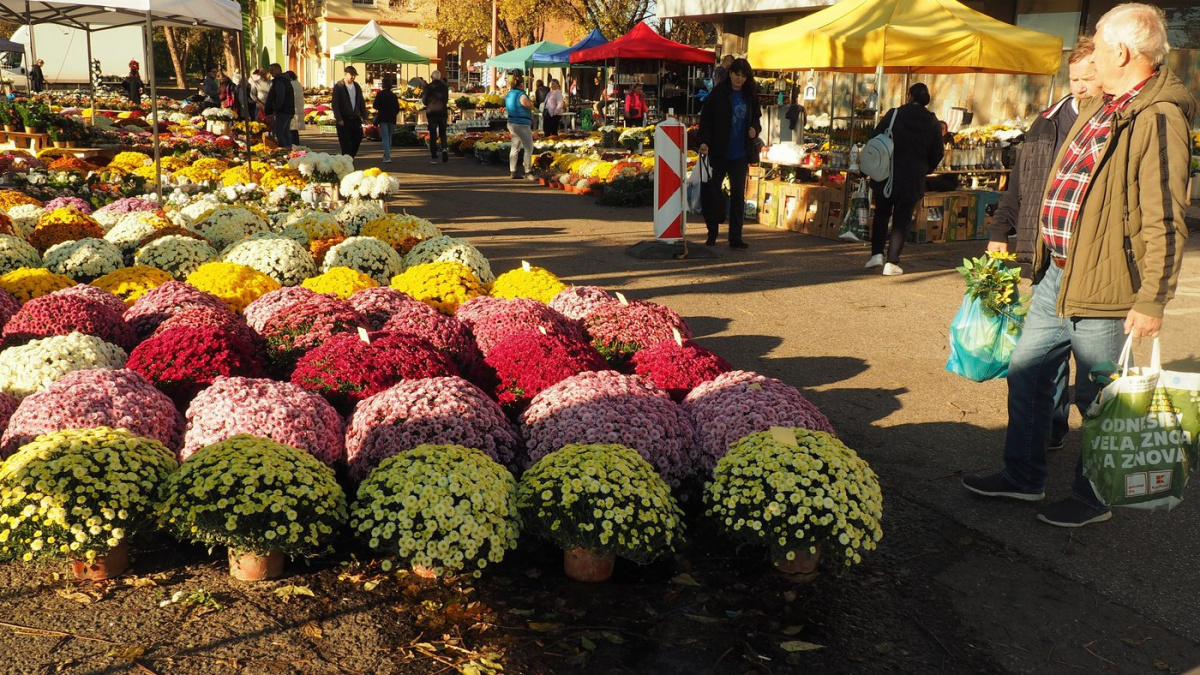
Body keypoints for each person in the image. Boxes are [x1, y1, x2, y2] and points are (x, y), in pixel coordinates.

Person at [962, 3, 1195, 528]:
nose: (1091, 53)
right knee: (1026, 373)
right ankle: (1023, 478)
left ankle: (1093, 499)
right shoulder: (1105, 106)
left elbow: (1164, 216)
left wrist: (1151, 299)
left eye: (1101, 43)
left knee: (1098, 400)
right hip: (1056, 277)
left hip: (1107, 288)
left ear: (1122, 51)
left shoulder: (1158, 116)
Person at [980, 38, 1102, 457]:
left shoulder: (1115, 123)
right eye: (1076, 78)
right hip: (1048, 260)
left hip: (1095, 269)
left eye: (1091, 77)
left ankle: (1098, 480)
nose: (1082, 87)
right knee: (1034, 364)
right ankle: (1046, 434)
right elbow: (1020, 183)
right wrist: (1000, 230)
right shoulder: (1046, 120)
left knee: (1094, 381)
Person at [864, 82, 943, 276]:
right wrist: (926, 168)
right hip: (913, 176)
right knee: (902, 219)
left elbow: (875, 137)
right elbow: (938, 152)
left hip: (887, 174)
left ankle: (876, 255)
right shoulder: (932, 121)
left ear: (909, 96)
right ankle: (892, 262)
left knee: (882, 214)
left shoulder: (894, 114)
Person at [697, 57, 761, 249]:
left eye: (743, 76)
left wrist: (755, 130)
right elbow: (706, 119)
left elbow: (756, 119)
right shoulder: (718, 93)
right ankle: (712, 232)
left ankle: (735, 237)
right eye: (736, 74)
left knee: (738, 197)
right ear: (730, 74)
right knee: (713, 193)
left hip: (740, 154)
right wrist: (704, 142)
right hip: (718, 152)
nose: (739, 79)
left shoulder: (751, 95)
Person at [505, 73, 536, 180]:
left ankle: (513, 170)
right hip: (522, 123)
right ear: (521, 84)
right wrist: (532, 106)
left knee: (515, 146)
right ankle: (528, 171)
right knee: (528, 147)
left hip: (511, 122)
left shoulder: (509, 94)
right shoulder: (521, 95)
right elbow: (526, 104)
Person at [331, 65, 367, 157]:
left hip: (355, 118)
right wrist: (339, 118)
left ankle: (350, 158)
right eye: (351, 75)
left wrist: (364, 116)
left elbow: (361, 101)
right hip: (344, 119)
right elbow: (335, 104)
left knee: (358, 138)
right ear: (345, 74)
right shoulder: (339, 86)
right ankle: (347, 161)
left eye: (355, 75)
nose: (353, 77)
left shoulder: (356, 86)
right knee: (345, 143)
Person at [263, 63, 295, 150]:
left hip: (283, 110)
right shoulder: (285, 80)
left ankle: (284, 151)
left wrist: (276, 109)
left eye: (272, 70)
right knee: (285, 132)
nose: (270, 72)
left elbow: (280, 96)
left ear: (278, 70)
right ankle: (289, 149)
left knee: (279, 132)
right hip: (288, 110)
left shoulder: (279, 81)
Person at [422, 69, 450, 163]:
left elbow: (424, 100)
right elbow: (446, 99)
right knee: (443, 133)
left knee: (433, 134)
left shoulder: (428, 87)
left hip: (432, 112)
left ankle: (434, 157)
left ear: (432, 77)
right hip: (442, 111)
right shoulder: (444, 87)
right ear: (439, 77)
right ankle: (444, 149)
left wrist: (429, 104)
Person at [373, 76, 400, 163]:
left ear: (383, 85)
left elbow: (375, 106)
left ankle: (387, 156)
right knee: (389, 136)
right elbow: (397, 108)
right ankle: (387, 154)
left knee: (385, 137)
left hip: (383, 118)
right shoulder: (393, 95)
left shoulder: (380, 94)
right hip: (392, 118)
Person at [287, 71, 305, 147]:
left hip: (292, 109)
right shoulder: (298, 84)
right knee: (294, 130)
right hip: (298, 109)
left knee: (291, 130)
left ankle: (293, 146)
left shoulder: (290, 85)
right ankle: (296, 145)